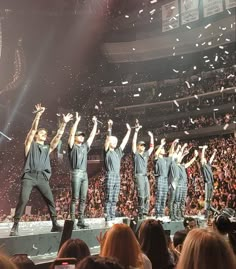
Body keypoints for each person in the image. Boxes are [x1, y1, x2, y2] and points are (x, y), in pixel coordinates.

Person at [9, 104, 73, 236]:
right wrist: (38, 115)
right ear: (37, 136)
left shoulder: (47, 148)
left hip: (42, 178)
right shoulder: (29, 145)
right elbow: (32, 131)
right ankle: (15, 225)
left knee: (50, 200)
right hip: (29, 176)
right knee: (23, 199)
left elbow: (57, 138)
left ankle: (55, 224)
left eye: (45, 133)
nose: (45, 134)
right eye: (42, 133)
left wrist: (63, 124)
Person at [68, 112, 97, 229]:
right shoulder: (72, 146)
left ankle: (81, 220)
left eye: (82, 136)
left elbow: (92, 136)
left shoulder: (85, 146)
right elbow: (70, 135)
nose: (82, 137)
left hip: (84, 174)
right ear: (75, 137)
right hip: (75, 173)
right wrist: (76, 122)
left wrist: (95, 124)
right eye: (79, 135)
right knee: (75, 198)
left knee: (83, 198)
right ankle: (72, 221)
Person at [104, 120, 131, 222]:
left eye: (116, 141)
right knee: (109, 197)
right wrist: (109, 127)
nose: (115, 142)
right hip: (110, 174)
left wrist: (129, 131)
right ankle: (108, 217)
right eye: (113, 141)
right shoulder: (107, 151)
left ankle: (112, 216)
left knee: (114, 198)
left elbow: (124, 142)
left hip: (117, 176)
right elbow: (107, 140)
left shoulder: (117, 152)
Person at [132, 120, 154, 219]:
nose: (143, 147)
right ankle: (140, 212)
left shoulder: (145, 154)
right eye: (141, 145)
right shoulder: (136, 154)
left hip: (145, 176)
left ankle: (145, 212)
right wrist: (136, 132)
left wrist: (152, 137)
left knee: (147, 195)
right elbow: (133, 142)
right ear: (138, 147)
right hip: (139, 175)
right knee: (141, 195)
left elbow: (152, 148)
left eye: (144, 145)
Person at [176, 146, 198, 219]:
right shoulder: (176, 166)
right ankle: (177, 214)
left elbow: (189, 163)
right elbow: (178, 160)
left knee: (182, 200)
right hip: (179, 185)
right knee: (178, 200)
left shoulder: (183, 166)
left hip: (184, 185)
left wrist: (194, 157)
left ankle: (181, 213)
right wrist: (183, 153)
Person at [153, 138, 172, 219]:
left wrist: (173, 144)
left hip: (165, 179)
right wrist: (161, 145)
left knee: (164, 197)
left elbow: (171, 154)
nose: (164, 149)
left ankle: (161, 214)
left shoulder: (165, 159)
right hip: (160, 178)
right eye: (162, 149)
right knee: (159, 196)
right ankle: (158, 215)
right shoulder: (157, 159)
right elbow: (155, 154)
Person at [201, 145, 217, 218]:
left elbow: (211, 159)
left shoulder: (208, 165)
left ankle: (209, 209)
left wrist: (214, 152)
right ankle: (206, 213)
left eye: (205, 159)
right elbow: (202, 158)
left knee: (210, 198)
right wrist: (203, 149)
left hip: (211, 183)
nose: (204, 159)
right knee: (207, 198)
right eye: (203, 159)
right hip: (207, 183)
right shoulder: (203, 166)